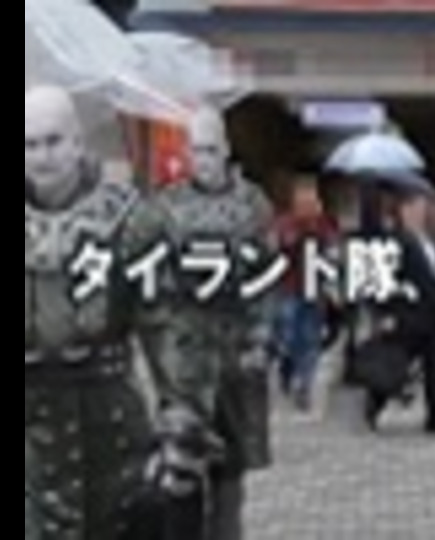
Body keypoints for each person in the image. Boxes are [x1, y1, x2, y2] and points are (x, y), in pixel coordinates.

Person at [24, 85, 212, 540]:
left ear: (77, 142)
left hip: (109, 420)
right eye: (29, 145)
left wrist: (180, 425)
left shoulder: (127, 220)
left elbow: (168, 327)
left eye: (53, 141)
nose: (43, 156)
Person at [152, 105, 276, 540]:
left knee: (229, 479)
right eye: (195, 150)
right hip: (185, 362)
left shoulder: (252, 205)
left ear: (225, 149)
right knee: (181, 476)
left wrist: (261, 337)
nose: (202, 159)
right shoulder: (167, 207)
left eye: (209, 149)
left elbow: (267, 276)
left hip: (236, 360)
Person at [366, 177, 435, 435]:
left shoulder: (433, 242)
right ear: (403, 210)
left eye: (422, 206)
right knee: (396, 365)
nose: (420, 212)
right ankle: (373, 405)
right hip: (407, 317)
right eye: (414, 207)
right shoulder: (396, 242)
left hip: (431, 317)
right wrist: (384, 311)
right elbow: (385, 280)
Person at [273, 178, 340, 410]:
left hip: (314, 290)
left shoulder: (325, 225)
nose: (307, 206)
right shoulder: (285, 223)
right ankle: (287, 367)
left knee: (311, 339)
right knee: (288, 335)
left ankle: (304, 384)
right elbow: (281, 245)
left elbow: (334, 251)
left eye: (311, 200)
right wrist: (301, 231)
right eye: (302, 201)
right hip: (289, 288)